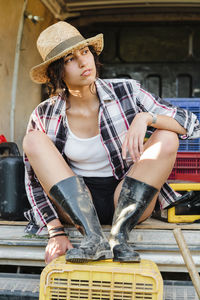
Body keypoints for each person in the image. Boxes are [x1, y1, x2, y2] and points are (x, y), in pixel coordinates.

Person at [23, 21, 200, 265]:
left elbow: (192, 125)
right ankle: (93, 239)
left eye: (85, 52)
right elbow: (33, 179)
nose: (83, 62)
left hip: (127, 197)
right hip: (76, 207)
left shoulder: (127, 91)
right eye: (69, 59)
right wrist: (55, 231)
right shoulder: (45, 113)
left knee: (167, 135)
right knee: (32, 140)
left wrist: (147, 117)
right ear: (56, 72)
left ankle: (120, 237)